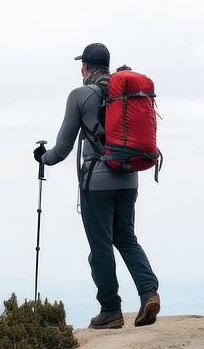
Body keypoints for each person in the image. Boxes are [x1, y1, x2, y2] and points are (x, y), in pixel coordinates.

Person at [33, 43, 161, 329]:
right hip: (129, 177)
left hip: (97, 183)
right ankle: (149, 293)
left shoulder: (80, 96)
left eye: (82, 65)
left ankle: (110, 310)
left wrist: (43, 157)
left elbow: (63, 149)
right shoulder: (122, 95)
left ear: (86, 67)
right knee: (126, 237)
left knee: (100, 247)